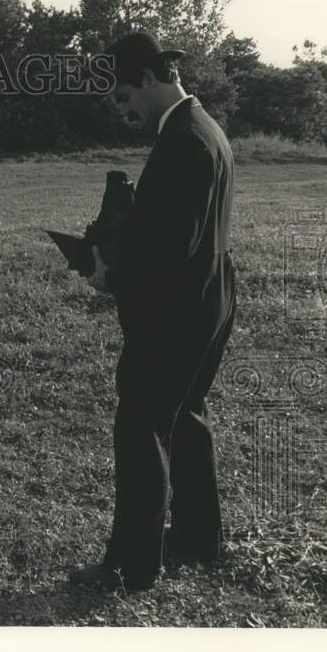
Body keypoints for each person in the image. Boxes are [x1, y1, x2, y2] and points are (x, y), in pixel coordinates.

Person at [69, 31, 236, 592]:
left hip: (177, 309)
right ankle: (197, 536)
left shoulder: (185, 139)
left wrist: (109, 275)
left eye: (122, 96)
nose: (124, 110)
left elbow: (169, 251)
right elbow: (178, 228)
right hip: (207, 297)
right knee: (185, 415)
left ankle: (132, 564)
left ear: (146, 78)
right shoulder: (202, 128)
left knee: (140, 425)